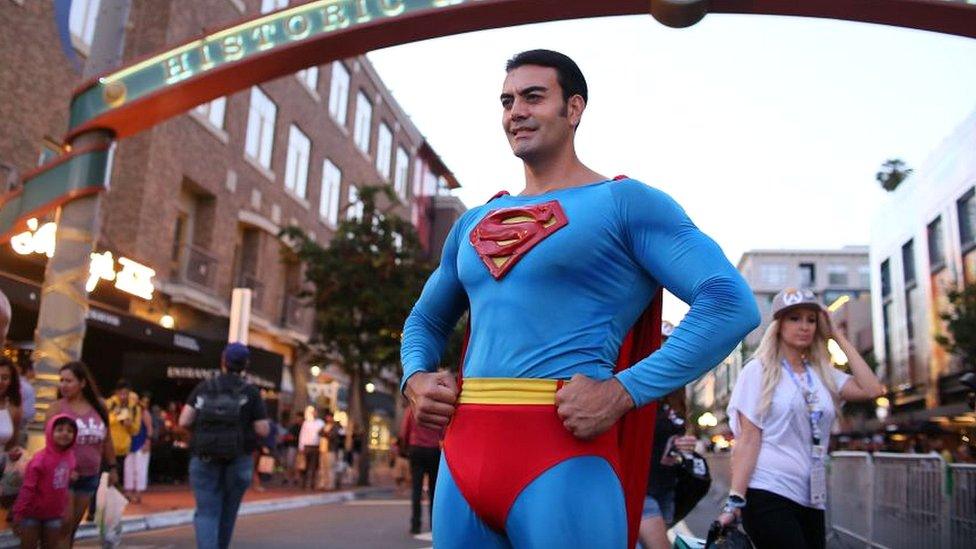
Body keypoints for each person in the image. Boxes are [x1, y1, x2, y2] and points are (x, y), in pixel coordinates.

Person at [400, 49, 759, 547]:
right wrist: (414, 376)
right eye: (506, 101)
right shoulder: (471, 223)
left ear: (574, 109)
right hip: (462, 461)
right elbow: (424, 319)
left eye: (533, 97)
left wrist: (624, 391)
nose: (515, 112)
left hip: (564, 459)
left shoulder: (625, 203)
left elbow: (728, 302)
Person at [719, 288, 885, 549]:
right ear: (779, 325)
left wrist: (838, 336)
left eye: (811, 319)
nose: (804, 326)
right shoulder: (757, 371)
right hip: (768, 490)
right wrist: (735, 500)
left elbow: (873, 389)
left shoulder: (823, 374)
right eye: (794, 318)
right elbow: (748, 439)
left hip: (812, 497)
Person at [179, 343, 269, 549]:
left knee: (206, 512)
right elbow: (262, 429)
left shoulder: (204, 387)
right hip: (239, 460)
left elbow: (184, 420)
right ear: (246, 364)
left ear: (223, 361)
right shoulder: (251, 392)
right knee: (228, 513)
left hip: (204, 458)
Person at [45, 361, 117, 547]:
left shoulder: (99, 406)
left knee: (73, 526)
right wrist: (64, 467)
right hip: (65, 474)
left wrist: (113, 467)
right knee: (64, 523)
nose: (64, 385)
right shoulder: (57, 408)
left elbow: (107, 438)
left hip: (91, 474)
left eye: (69, 381)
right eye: (61, 381)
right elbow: (50, 444)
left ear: (82, 383)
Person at [638, 389, 697, 549]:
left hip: (666, 489)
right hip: (641, 490)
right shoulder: (642, 392)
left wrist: (685, 445)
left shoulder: (676, 395)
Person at [11, 414, 77, 549]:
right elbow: (27, 488)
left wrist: (66, 511)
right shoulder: (39, 459)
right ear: (50, 432)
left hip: (54, 514)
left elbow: (64, 488)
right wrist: (18, 514)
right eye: (60, 430)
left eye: (70, 431)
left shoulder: (70, 458)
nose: (65, 434)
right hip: (31, 514)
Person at [400, 405, 441, 534]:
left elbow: (404, 431)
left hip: (416, 448)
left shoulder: (411, 409)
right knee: (434, 490)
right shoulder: (436, 408)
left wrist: (405, 448)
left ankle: (415, 524)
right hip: (434, 449)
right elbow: (443, 429)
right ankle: (434, 524)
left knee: (416, 489)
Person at [105, 379, 142, 486]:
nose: (123, 396)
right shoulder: (109, 404)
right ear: (116, 393)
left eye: (126, 393)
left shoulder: (135, 408)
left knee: (117, 482)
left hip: (122, 449)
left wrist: (130, 425)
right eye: (120, 393)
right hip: (107, 448)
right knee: (104, 480)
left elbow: (135, 431)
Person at [124, 394, 153, 503]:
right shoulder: (126, 412)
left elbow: (150, 428)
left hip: (141, 444)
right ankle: (128, 492)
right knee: (128, 469)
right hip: (129, 444)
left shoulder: (143, 412)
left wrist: (147, 442)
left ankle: (138, 493)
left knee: (140, 469)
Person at [298, 408, 325, 491]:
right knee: (304, 466)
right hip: (307, 446)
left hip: (316, 446)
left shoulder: (321, 423)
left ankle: (312, 483)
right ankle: (304, 483)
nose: (314, 414)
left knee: (314, 466)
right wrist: (301, 446)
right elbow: (302, 434)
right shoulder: (306, 423)